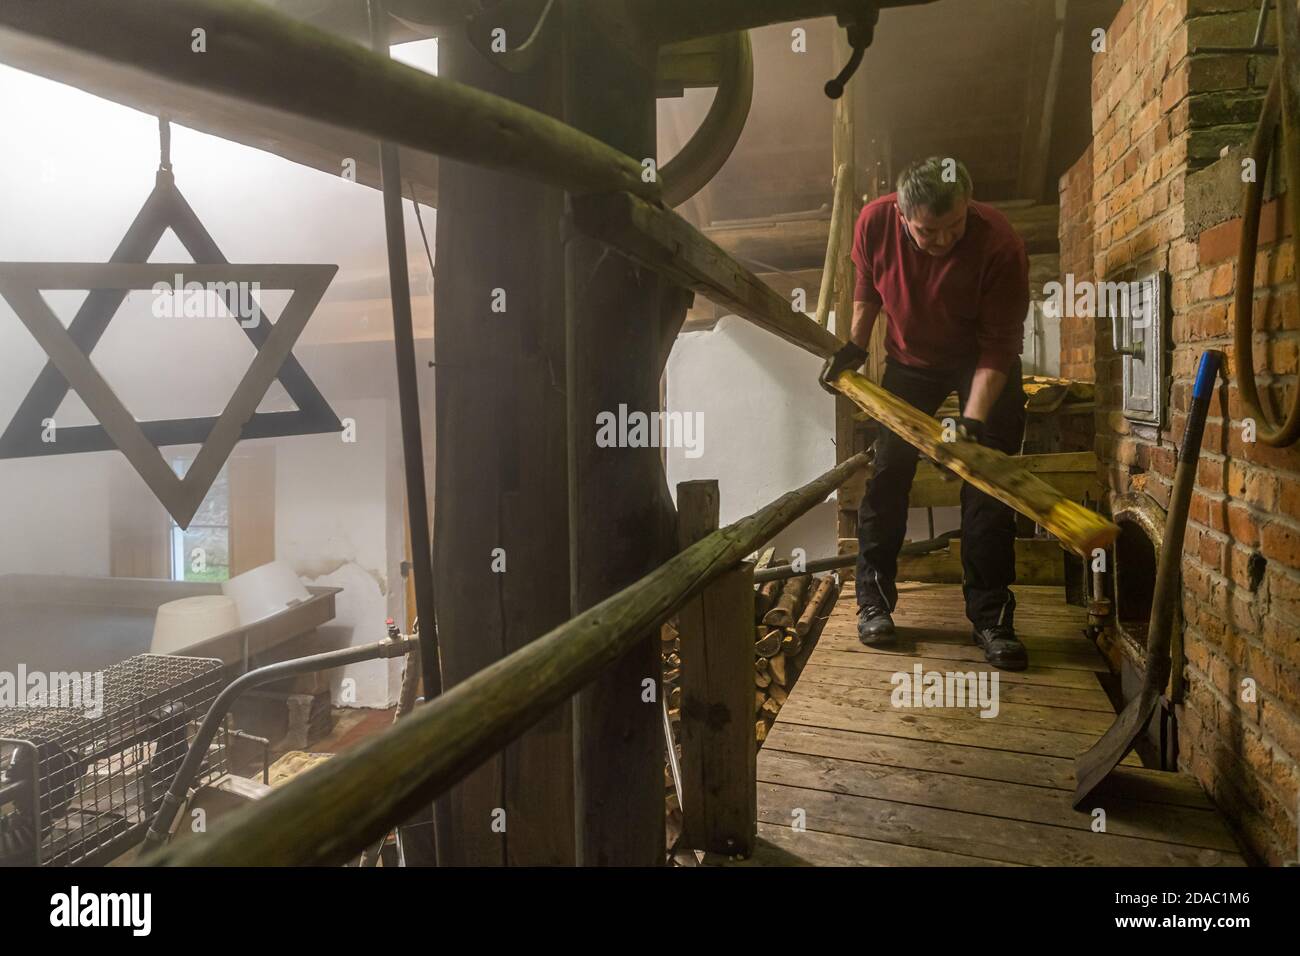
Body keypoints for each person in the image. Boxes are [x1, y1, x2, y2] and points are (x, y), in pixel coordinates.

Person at [819, 156, 1030, 670]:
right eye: (929, 232)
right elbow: (869, 285)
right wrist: (852, 346)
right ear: (902, 216)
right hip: (911, 363)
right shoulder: (873, 221)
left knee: (986, 481)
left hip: (981, 360)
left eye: (955, 226)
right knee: (889, 472)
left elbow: (999, 347)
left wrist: (972, 425)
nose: (945, 241)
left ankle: (991, 616)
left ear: (968, 207)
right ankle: (873, 602)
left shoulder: (999, 241)